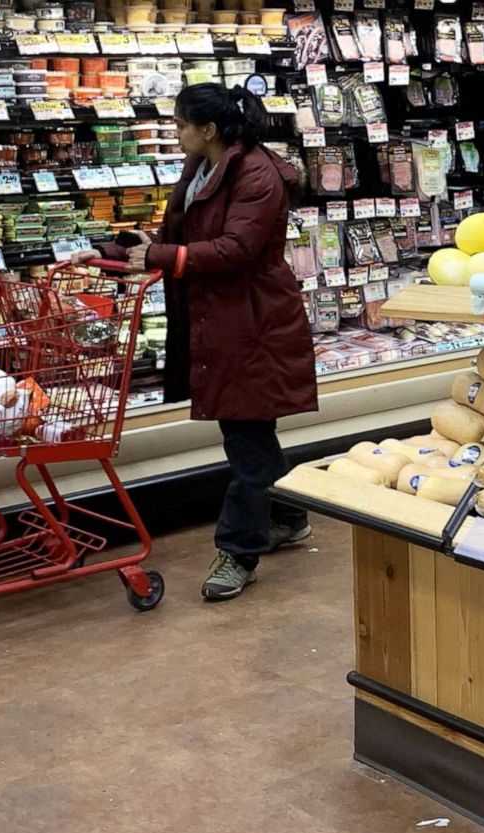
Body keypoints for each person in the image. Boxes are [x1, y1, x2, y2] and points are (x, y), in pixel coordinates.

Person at [81, 82, 317, 601]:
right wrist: (117, 251)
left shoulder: (257, 174)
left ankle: (239, 551)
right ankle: (289, 514)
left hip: (254, 323)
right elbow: (181, 237)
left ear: (208, 130)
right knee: (247, 430)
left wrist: (163, 259)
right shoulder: (203, 167)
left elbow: (236, 250)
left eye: (180, 124)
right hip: (221, 320)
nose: (176, 132)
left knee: (246, 437)